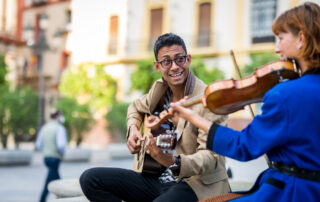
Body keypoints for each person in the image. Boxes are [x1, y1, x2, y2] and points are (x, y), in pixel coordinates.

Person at [170, 2, 320, 201]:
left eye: (281, 38)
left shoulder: (285, 95)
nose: (277, 48)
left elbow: (243, 147)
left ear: (301, 38)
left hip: (292, 193)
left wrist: (194, 117)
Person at [79, 33, 230, 202]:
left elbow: (210, 158)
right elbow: (135, 107)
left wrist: (170, 161)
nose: (174, 67)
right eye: (166, 61)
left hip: (195, 184)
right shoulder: (159, 90)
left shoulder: (208, 100)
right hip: (155, 178)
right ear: (157, 66)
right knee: (90, 179)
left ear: (188, 59)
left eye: (179, 59)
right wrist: (133, 129)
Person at [36, 109, 67, 202]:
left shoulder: (44, 127)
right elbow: (61, 145)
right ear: (58, 117)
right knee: (50, 182)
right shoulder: (59, 128)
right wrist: (62, 154)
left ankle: (64, 197)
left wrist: (46, 151)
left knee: (56, 179)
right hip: (55, 158)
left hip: (46, 158)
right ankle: (42, 199)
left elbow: (38, 145)